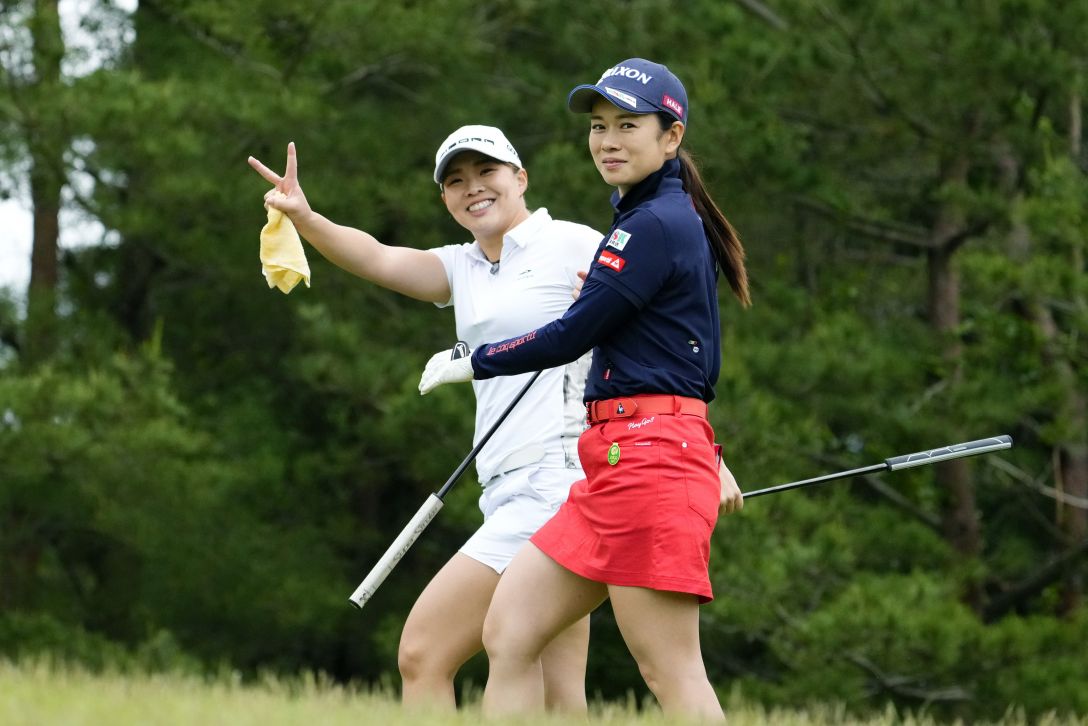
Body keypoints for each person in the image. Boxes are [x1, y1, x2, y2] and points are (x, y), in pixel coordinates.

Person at [418, 58, 748, 720]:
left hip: (652, 460)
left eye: (628, 125)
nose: (608, 140)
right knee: (509, 633)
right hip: (615, 462)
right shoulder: (646, 219)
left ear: (671, 137)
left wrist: (476, 359)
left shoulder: (653, 223)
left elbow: (570, 336)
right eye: (599, 126)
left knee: (670, 669)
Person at [247, 125, 601, 713]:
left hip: (556, 482)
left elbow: (659, 322)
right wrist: (306, 219)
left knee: (423, 653)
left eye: (487, 172)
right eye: (456, 181)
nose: (473, 188)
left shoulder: (572, 243)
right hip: (508, 486)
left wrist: (705, 454)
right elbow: (379, 258)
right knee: (558, 690)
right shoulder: (463, 267)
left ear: (520, 178)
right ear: (445, 200)